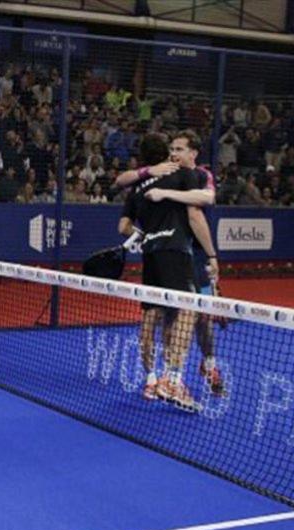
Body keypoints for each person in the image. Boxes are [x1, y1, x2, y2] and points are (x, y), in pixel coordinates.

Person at [115, 131, 224, 396]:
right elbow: (122, 180)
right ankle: (170, 379)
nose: (174, 153)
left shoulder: (200, 174)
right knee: (179, 313)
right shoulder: (162, 174)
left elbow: (207, 199)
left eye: (179, 148)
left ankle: (204, 365)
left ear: (193, 153)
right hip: (180, 249)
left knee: (201, 317)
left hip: (192, 249)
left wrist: (165, 193)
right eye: (171, 148)